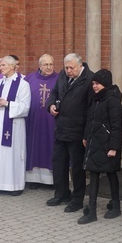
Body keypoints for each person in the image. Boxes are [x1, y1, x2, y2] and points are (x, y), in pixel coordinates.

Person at [45, 53, 94, 213]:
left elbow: (90, 109)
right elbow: (54, 92)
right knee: (58, 162)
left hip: (78, 129)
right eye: (66, 67)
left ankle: (77, 198)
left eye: (71, 68)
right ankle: (61, 193)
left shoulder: (89, 79)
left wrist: (87, 134)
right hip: (61, 127)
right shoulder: (62, 75)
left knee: (77, 167)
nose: (68, 71)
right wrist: (51, 104)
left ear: (80, 66)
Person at [78, 69, 122, 224]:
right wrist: (85, 136)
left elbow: (117, 126)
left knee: (111, 173)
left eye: (97, 83)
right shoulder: (95, 99)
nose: (94, 86)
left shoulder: (112, 100)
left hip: (107, 144)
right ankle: (92, 210)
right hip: (94, 142)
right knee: (94, 174)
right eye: (93, 83)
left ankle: (115, 205)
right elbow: (90, 120)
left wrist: (114, 147)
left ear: (105, 83)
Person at [0, 56, 31, 195]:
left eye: (3, 65)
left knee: (12, 154)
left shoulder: (23, 84)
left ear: (12, 66)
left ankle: (14, 186)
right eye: (1, 65)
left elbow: (25, 107)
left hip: (14, 125)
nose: (0, 68)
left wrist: (8, 104)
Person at [24, 54, 58, 188]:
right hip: (34, 121)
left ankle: (52, 180)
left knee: (51, 147)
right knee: (34, 147)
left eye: (51, 64)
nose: (49, 67)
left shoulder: (60, 78)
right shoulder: (30, 79)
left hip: (52, 122)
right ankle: (34, 179)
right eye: (45, 64)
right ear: (39, 66)